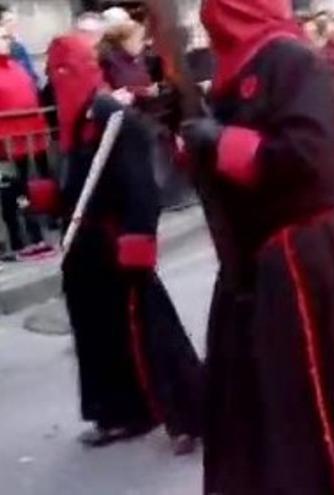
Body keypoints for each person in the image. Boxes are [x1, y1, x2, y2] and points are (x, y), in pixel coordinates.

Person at [179, 0, 334, 493]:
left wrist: (223, 144)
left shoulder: (291, 60)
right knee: (253, 411)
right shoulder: (231, 71)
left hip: (298, 262)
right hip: (249, 265)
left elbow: (320, 166)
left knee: (314, 410)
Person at [45, 33, 202, 454]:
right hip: (85, 247)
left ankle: (189, 412)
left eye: (67, 68)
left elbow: (140, 186)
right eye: (54, 71)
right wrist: (52, 197)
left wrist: (139, 235)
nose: (61, 78)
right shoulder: (76, 122)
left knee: (147, 327)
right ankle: (119, 411)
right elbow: (80, 188)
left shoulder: (113, 117)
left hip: (116, 241)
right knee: (97, 333)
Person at [0, 26, 52, 260]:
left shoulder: (16, 66)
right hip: (6, 145)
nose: (8, 41)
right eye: (2, 37)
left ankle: (34, 235)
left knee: (28, 191)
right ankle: (18, 240)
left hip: (28, 140)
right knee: (14, 193)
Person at [0, 4, 39, 87]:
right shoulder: (12, 48)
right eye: (9, 21)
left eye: (14, 20)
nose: (14, 24)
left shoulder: (17, 45)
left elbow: (30, 73)